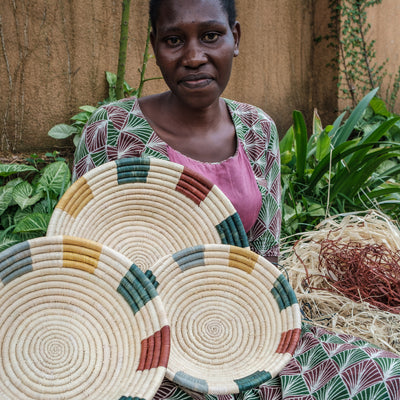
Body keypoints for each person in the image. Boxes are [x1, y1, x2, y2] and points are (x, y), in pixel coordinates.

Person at [73, 0, 400, 399]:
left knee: (384, 376)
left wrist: (252, 345)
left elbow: (265, 261)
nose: (194, 57)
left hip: (244, 329)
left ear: (236, 38)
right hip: (143, 348)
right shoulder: (113, 130)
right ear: (155, 45)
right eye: (174, 40)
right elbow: (83, 265)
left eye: (211, 35)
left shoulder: (256, 129)